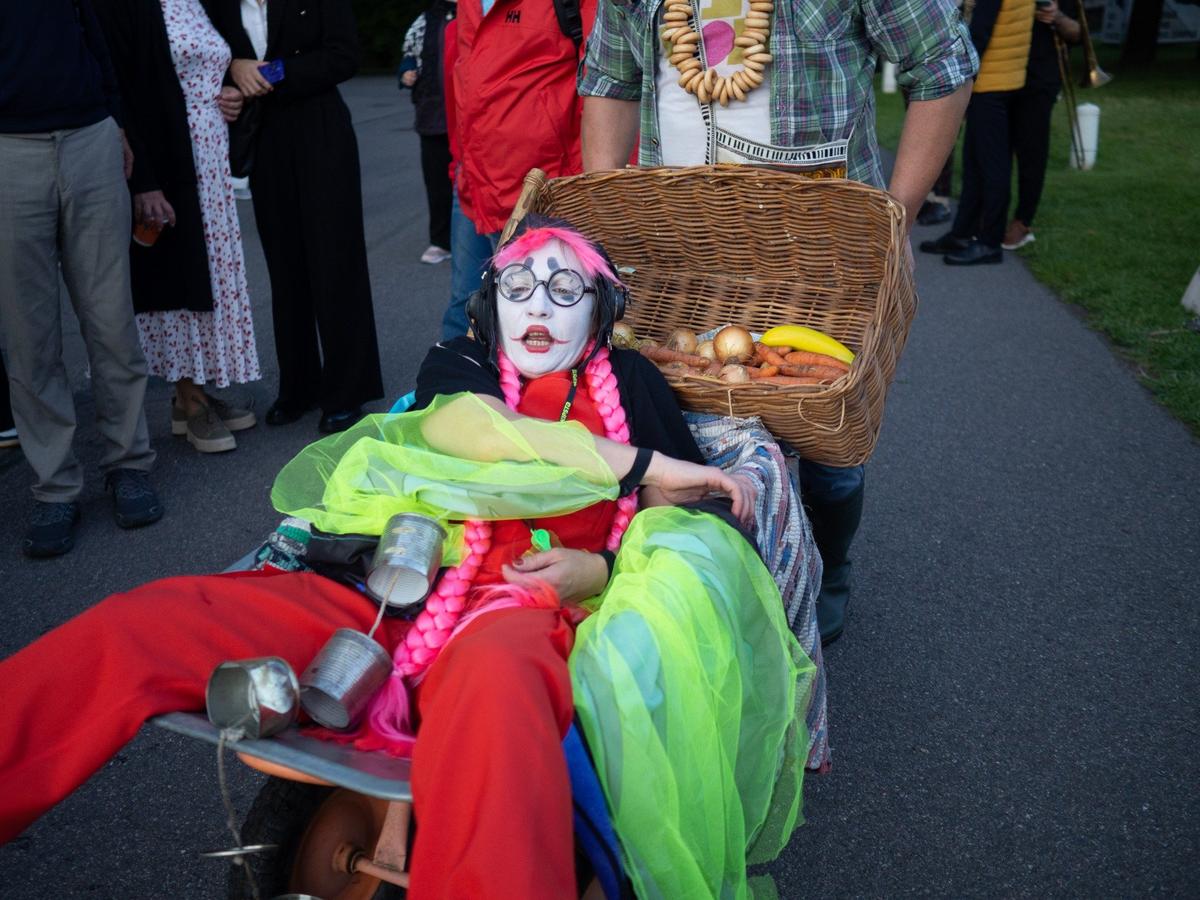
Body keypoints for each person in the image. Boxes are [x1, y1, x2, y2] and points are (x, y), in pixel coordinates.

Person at [0, 218, 813, 898]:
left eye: (567, 290)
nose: (539, 306)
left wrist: (598, 572)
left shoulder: (628, 380)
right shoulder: (460, 363)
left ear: (602, 313)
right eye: (518, 286)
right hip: (386, 587)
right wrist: (640, 463)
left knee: (497, 708)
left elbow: (677, 517)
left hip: (520, 607)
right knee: (147, 622)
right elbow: (474, 431)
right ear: (489, 305)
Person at [578, 0, 978, 643]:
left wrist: (895, 216)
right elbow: (610, 79)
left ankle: (829, 564)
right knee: (681, 408)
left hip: (823, 255)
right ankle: (706, 574)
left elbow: (942, 63)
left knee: (827, 431)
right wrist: (611, 224)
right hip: (680, 251)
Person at [0, 0, 163, 558]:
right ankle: (55, 488)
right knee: (30, 339)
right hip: (8, 151)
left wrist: (116, 121)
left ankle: (129, 465)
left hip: (91, 139)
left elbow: (96, 40)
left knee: (112, 321)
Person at [207, 0, 384, 434]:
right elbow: (211, 59)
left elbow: (344, 56)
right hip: (263, 137)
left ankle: (347, 391)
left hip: (321, 131)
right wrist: (232, 75)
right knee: (285, 268)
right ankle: (299, 387)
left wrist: (269, 73)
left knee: (335, 262)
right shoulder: (217, 4)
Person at [94, 0, 262, 454]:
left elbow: (220, 66)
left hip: (210, 157)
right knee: (176, 276)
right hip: (165, 155)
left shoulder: (202, 1)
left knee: (210, 276)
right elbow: (121, 92)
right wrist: (144, 181)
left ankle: (196, 390)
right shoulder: (124, 7)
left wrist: (231, 94)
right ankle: (188, 396)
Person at [920, 0, 1036, 265]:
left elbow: (980, 31)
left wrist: (961, 79)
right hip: (1007, 78)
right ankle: (963, 232)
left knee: (992, 168)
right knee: (974, 162)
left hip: (991, 82)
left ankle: (989, 242)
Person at [1001, 0, 1081, 251]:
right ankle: (993, 215)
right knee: (997, 152)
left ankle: (1023, 221)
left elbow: (1077, 32)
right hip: (1003, 73)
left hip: (1039, 78)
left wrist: (1056, 16)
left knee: (1032, 153)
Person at [400, 0, 457, 266]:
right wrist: (406, 72)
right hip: (432, 115)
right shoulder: (426, 19)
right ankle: (441, 241)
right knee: (436, 182)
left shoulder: (477, 14)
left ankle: (484, 237)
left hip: (469, 115)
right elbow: (409, 53)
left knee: (473, 181)